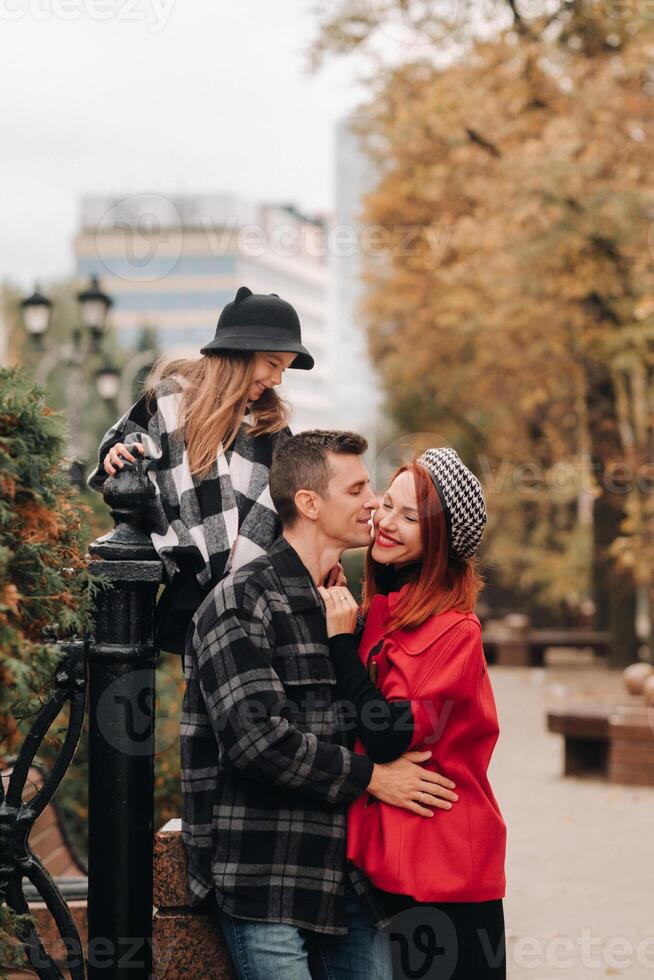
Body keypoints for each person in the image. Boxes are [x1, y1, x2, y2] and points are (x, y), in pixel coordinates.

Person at [182, 431, 460, 980]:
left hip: (347, 880)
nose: (374, 503)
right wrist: (374, 778)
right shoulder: (241, 599)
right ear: (309, 504)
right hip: (267, 880)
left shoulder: (343, 612)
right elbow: (258, 742)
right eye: (357, 489)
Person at [319, 448, 507, 980]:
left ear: (440, 538)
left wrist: (339, 643)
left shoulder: (455, 631)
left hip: (444, 869)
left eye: (409, 517)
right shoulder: (384, 611)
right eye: (388, 506)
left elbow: (386, 735)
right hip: (389, 861)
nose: (386, 523)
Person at [87, 285, 343, 654]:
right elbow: (125, 449)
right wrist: (118, 456)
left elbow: (299, 506)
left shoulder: (272, 429)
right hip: (188, 590)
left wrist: (325, 556)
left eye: (284, 369)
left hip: (255, 600)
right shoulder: (169, 400)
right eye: (273, 364)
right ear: (240, 353)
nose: (278, 380)